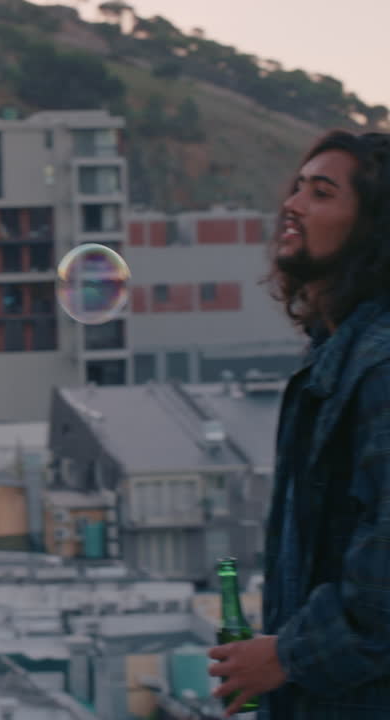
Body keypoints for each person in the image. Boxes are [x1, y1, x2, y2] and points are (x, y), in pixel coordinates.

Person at [208, 130, 390, 718]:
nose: (292, 203)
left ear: (372, 228)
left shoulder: (381, 370)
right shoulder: (334, 356)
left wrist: (288, 656)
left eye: (321, 192)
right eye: (297, 187)